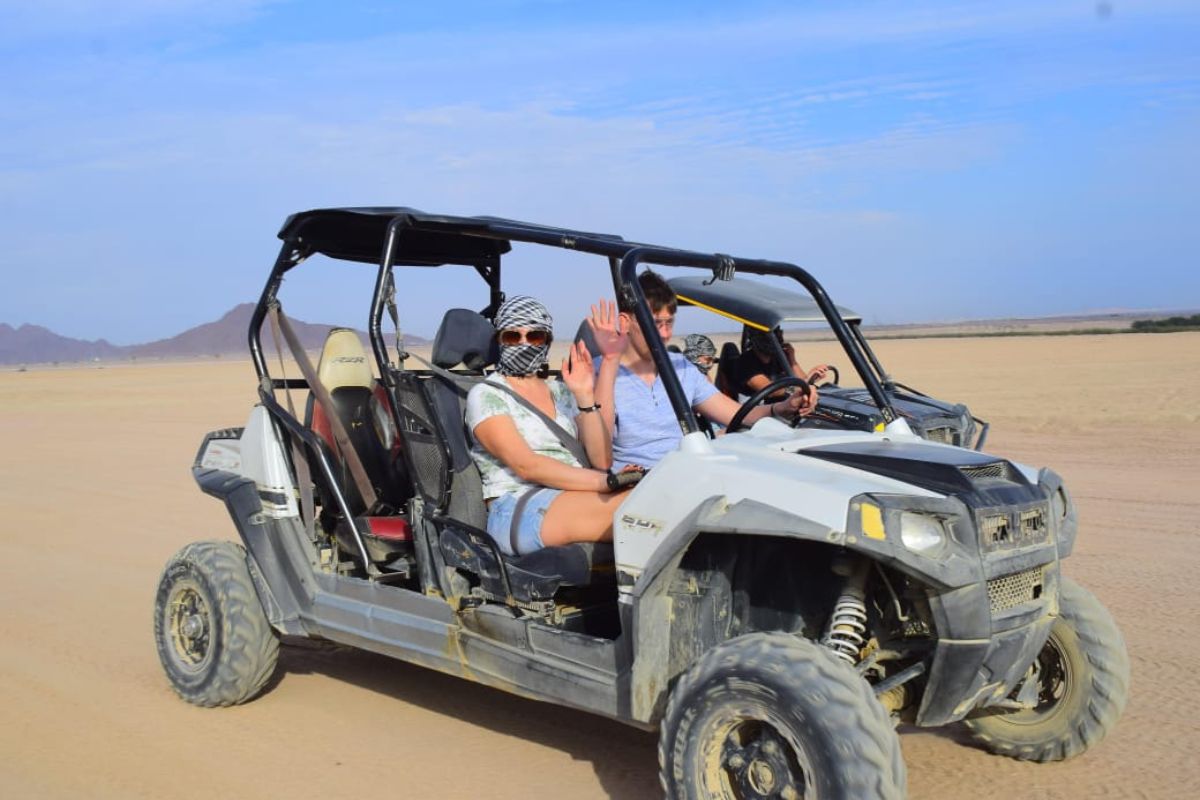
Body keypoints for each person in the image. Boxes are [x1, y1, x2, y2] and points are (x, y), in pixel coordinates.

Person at [590, 272, 819, 471]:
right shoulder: (600, 372)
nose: (664, 334)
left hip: (690, 471)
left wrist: (784, 407)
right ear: (626, 322)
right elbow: (600, 456)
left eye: (669, 323)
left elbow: (738, 415)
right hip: (638, 485)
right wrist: (611, 360)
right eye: (655, 324)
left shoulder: (681, 368)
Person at [465, 296, 626, 556]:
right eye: (512, 336)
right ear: (499, 341)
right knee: (639, 513)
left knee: (654, 501)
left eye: (535, 336)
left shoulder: (561, 392)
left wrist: (585, 396)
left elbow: (601, 460)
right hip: (519, 505)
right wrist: (606, 482)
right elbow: (527, 466)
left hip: (570, 495)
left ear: (547, 341)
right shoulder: (487, 394)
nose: (524, 343)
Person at [730, 329, 829, 400]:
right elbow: (770, 391)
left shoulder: (779, 357)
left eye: (778, 333)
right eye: (771, 335)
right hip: (755, 413)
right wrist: (804, 384)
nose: (778, 338)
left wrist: (792, 360)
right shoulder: (746, 361)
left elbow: (801, 380)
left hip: (781, 406)